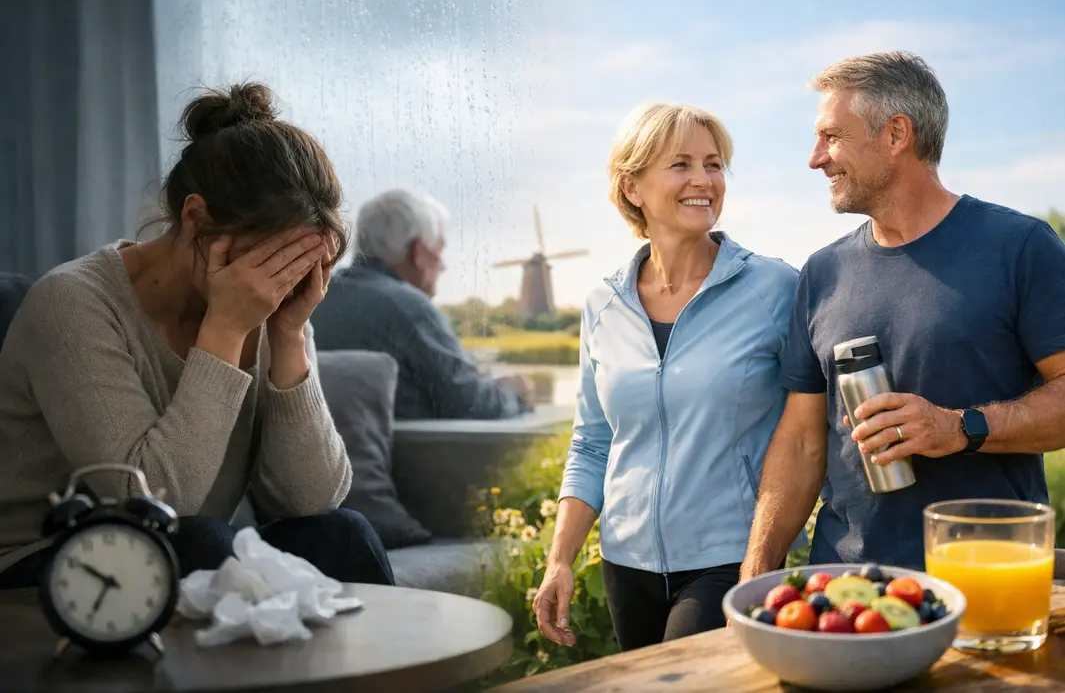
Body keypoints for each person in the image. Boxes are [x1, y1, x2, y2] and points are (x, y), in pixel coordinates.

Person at [0, 82, 395, 590]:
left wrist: (290, 335)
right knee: (201, 542)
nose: (277, 285)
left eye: (297, 265)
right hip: (45, 565)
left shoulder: (270, 303)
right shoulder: (72, 303)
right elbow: (151, 501)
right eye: (268, 261)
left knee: (344, 534)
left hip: (183, 551)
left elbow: (310, 500)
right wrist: (227, 329)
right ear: (194, 217)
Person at [740, 51, 1065, 580]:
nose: (815, 158)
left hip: (981, 577)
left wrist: (959, 428)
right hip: (843, 588)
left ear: (896, 134)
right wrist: (756, 567)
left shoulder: (1021, 247)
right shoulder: (821, 274)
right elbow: (802, 440)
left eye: (832, 137)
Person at [533, 102, 805, 652]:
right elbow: (592, 442)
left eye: (714, 164)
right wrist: (559, 559)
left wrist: (767, 550)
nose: (703, 180)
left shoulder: (776, 290)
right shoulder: (602, 304)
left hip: (731, 556)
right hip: (624, 562)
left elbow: (806, 433)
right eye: (680, 164)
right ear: (632, 186)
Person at [311, 188, 535, 419]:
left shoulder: (316, 299)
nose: (443, 264)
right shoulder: (410, 308)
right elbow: (469, 402)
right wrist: (514, 393)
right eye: (439, 248)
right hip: (397, 455)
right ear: (418, 252)